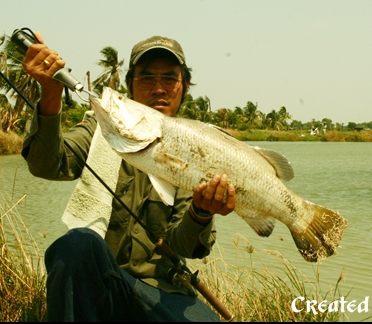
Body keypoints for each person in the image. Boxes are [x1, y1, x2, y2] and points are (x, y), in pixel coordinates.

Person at [21, 33, 236, 322]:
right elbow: (48, 164)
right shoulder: (101, 128)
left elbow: (186, 247)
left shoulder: (198, 150)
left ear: (184, 87)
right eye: (147, 78)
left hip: (164, 291)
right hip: (102, 285)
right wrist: (50, 95)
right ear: (130, 86)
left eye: (169, 78)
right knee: (77, 243)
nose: (158, 88)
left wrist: (201, 211)